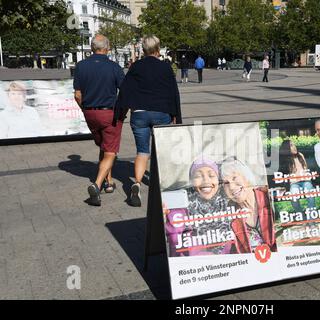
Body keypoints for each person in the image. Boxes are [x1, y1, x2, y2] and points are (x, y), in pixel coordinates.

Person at [115, 35, 182, 207]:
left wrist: (121, 111)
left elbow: (125, 89)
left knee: (142, 152)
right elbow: (172, 92)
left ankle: (136, 183)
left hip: (139, 113)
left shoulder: (136, 66)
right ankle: (164, 185)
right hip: (162, 112)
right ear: (158, 49)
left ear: (143, 50)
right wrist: (175, 114)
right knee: (162, 150)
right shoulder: (165, 67)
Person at [73, 34, 125, 206]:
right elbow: (124, 93)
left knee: (104, 146)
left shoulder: (80, 66)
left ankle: (109, 183)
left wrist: (85, 109)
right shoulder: (114, 67)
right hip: (109, 113)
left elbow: (77, 94)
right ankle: (97, 184)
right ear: (107, 48)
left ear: (92, 47)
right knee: (111, 151)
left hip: (90, 113)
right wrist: (122, 112)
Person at [165, 157, 233, 256]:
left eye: (211, 175)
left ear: (218, 180)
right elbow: (174, 238)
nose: (206, 180)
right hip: (192, 268)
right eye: (198, 176)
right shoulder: (181, 207)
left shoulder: (228, 203)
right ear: (191, 181)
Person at [220, 157, 277, 254]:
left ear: (246, 176)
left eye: (234, 178)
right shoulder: (228, 216)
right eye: (226, 183)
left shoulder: (269, 198)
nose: (232, 187)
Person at [279, 140, 316, 212]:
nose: (294, 147)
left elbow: (306, 168)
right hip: (294, 183)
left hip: (306, 181)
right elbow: (284, 175)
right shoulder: (285, 160)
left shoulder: (300, 155)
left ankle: (311, 217)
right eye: (291, 145)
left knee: (310, 193)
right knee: (294, 197)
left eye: (294, 145)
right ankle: (301, 214)